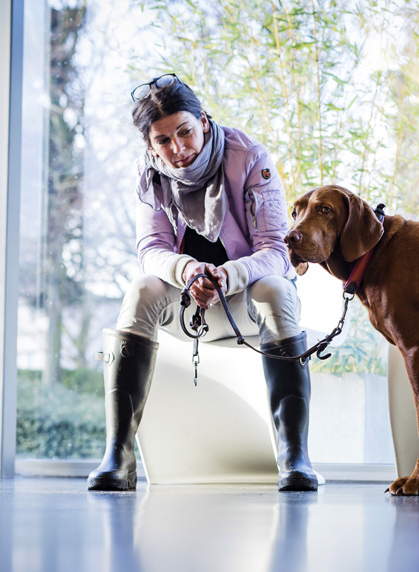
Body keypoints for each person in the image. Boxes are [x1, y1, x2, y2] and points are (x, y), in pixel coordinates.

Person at [87, 74, 318, 493]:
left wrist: (229, 275)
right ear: (149, 145)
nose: (178, 149)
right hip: (188, 307)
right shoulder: (148, 174)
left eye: (185, 132)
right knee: (141, 288)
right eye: (163, 140)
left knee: (276, 288)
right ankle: (118, 457)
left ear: (204, 121)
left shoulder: (250, 158)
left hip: (247, 305)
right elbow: (151, 249)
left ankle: (295, 456)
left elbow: (277, 250)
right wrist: (189, 271)